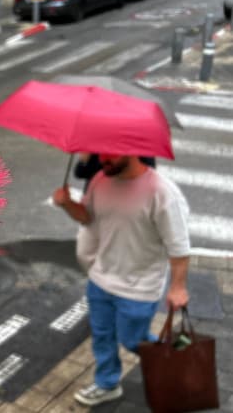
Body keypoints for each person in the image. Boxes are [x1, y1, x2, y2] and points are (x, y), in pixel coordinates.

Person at [53, 154, 191, 407]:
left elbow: (179, 246)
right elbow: (87, 217)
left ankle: (173, 358)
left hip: (139, 286)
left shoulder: (161, 192)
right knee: (102, 335)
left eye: (110, 152)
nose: (102, 158)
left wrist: (178, 287)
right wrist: (67, 204)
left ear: (132, 149)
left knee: (132, 339)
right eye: (100, 151)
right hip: (101, 278)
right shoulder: (100, 179)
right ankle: (108, 384)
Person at [74, 154, 156, 193]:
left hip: (126, 198)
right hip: (97, 201)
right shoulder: (97, 142)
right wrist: (84, 159)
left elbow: (148, 171)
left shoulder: (138, 147)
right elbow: (80, 172)